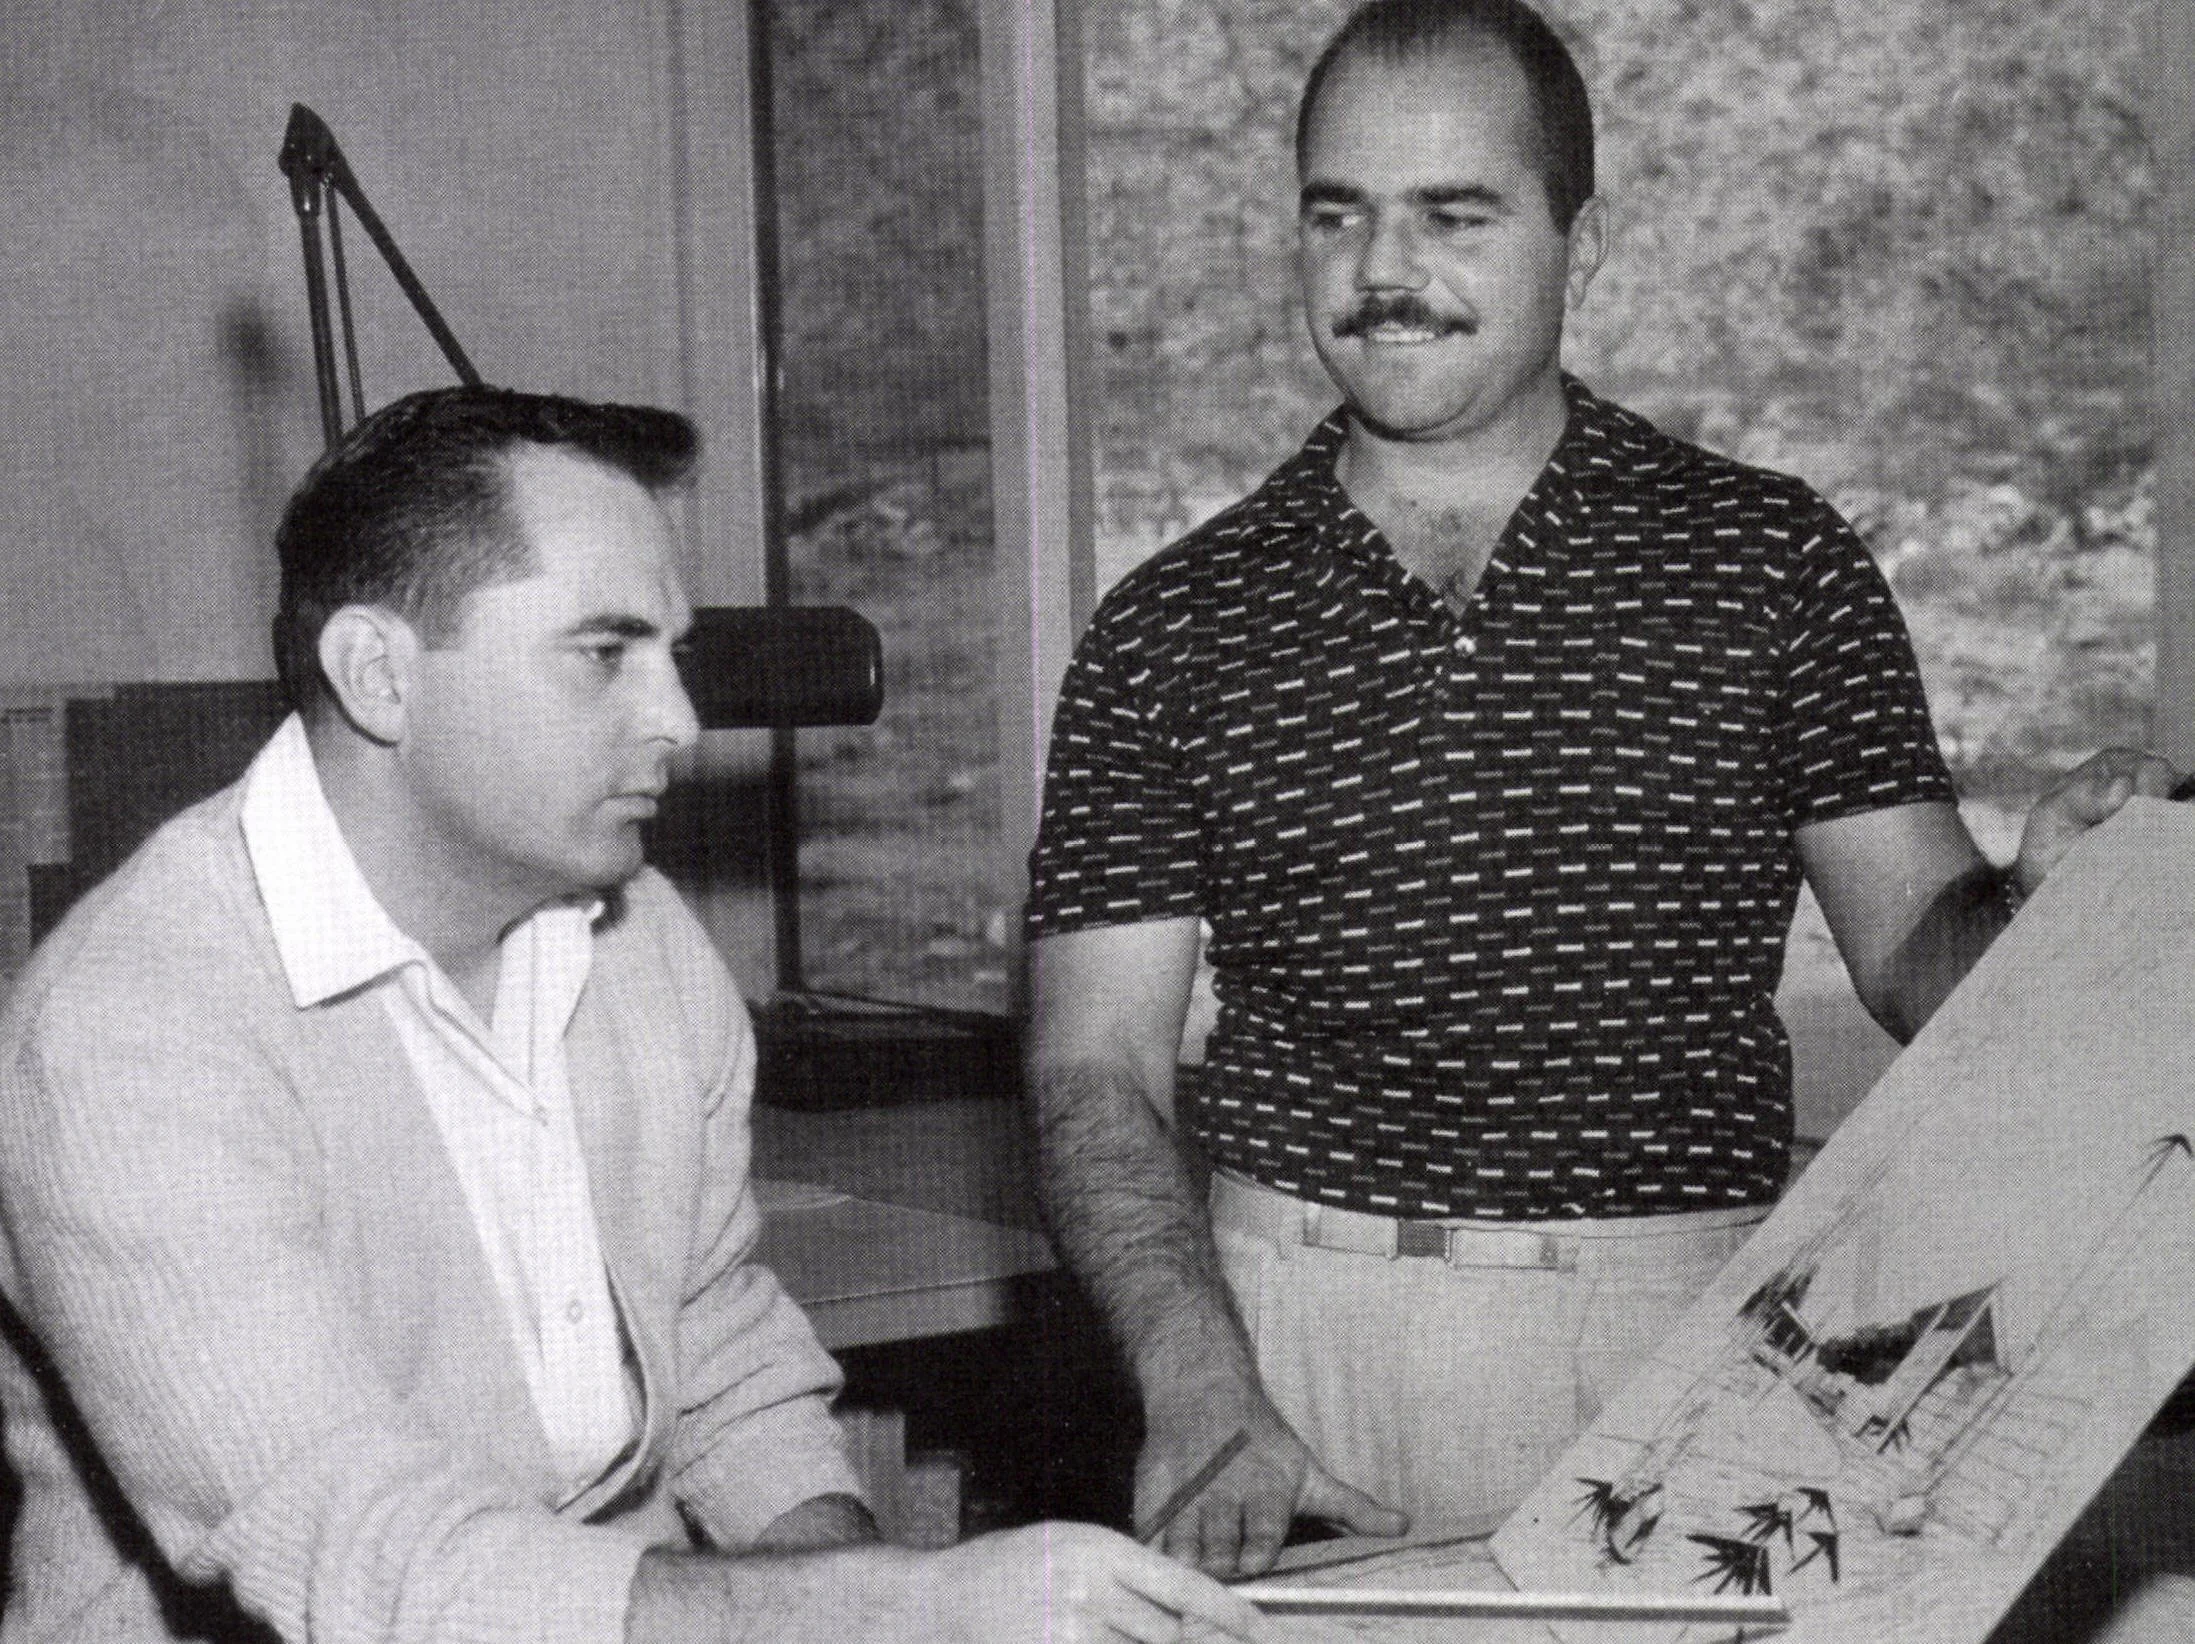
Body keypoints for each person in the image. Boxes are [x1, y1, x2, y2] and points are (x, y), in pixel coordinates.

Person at [1023, 0, 2178, 1582]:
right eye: (1335, 212)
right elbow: (1097, 1068)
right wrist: (1197, 1381)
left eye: (1452, 214)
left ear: (1583, 240)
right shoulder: (1172, 623)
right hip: (1289, 1351)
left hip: (1685, 1340)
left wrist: (2043, 904)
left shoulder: (1770, 565)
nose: (1380, 270)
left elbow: (1924, 959)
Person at [0, 387, 1271, 1644]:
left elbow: (718, 1353)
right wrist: (898, 1603)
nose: (676, 718)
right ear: (378, 674)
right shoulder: (131, 1035)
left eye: (670, 654)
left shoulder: (639, 936)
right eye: (604, 654)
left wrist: (862, 1594)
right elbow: (357, 1558)